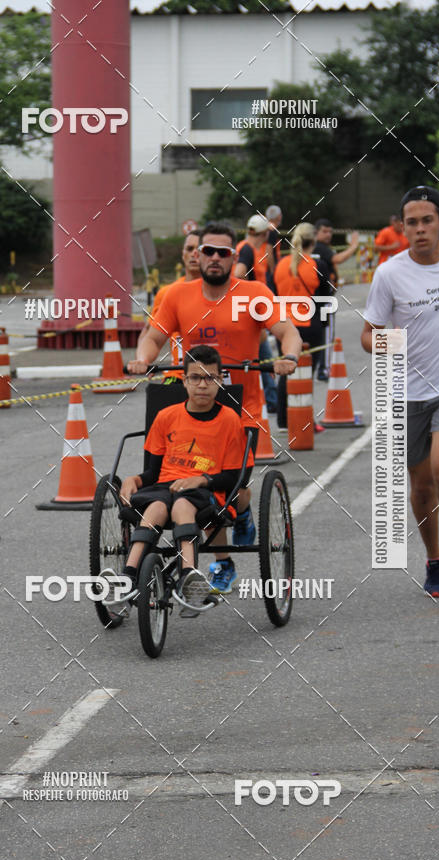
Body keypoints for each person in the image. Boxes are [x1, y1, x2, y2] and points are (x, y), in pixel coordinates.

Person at [128, 221, 302, 592]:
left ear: (234, 257)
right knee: (194, 480)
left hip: (243, 407)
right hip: (195, 400)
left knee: (235, 489)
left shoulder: (254, 292)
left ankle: (242, 514)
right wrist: (142, 359)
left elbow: (287, 331)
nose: (215, 258)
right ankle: (220, 562)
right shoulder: (177, 295)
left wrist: (288, 355)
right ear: (198, 254)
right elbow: (153, 336)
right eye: (208, 251)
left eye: (225, 253)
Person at [361, 185, 439, 598]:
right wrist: (393, 344)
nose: (420, 229)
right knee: (423, 485)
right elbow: (367, 336)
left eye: (428, 220)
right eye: (412, 222)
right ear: (402, 228)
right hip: (407, 392)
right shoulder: (390, 274)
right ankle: (432, 558)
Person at [120, 345, 253, 616]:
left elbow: (233, 476)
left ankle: (188, 577)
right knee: (155, 507)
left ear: (219, 381)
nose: (202, 385)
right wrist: (133, 479)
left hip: (207, 492)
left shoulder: (230, 420)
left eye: (210, 378)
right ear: (184, 380)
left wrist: (201, 480)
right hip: (165, 487)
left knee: (181, 506)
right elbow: (152, 473)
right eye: (195, 377)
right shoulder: (166, 417)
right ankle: (128, 576)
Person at [273, 223, 324, 428]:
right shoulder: (316, 265)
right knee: (305, 375)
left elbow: (272, 292)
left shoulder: (280, 265)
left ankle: (283, 419)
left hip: (284, 325)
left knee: (285, 370)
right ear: (313, 241)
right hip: (310, 324)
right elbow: (325, 297)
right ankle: (303, 419)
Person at [140, 228, 202, 382]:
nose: (194, 254)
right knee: (161, 402)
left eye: (199, 249)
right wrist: (143, 360)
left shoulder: (221, 291)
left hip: (214, 375)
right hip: (178, 374)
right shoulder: (168, 293)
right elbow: (148, 334)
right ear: (183, 254)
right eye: (189, 249)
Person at [234, 213, 277, 411]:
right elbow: (239, 274)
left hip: (251, 307)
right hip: (251, 309)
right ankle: (273, 400)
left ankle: (270, 398)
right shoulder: (247, 250)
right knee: (264, 355)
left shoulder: (247, 248)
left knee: (259, 355)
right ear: (263, 233)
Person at [314, 218, 360, 380]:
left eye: (330, 232)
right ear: (316, 232)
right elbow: (337, 259)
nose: (328, 235)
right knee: (327, 333)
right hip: (324, 299)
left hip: (312, 298)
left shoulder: (315, 248)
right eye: (324, 231)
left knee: (316, 334)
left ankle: (313, 366)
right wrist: (353, 246)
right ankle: (324, 369)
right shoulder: (321, 248)